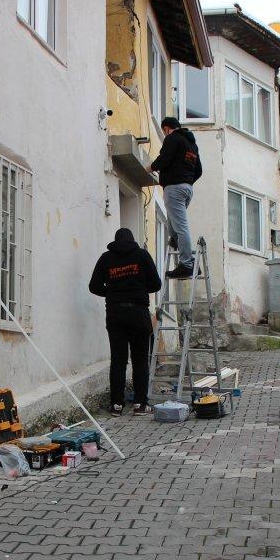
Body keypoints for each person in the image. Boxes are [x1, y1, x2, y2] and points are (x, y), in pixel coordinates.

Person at [88, 227, 163, 416]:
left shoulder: (106, 258)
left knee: (118, 360)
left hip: (115, 314)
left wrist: (112, 293)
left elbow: (94, 286)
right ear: (132, 240)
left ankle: (116, 405)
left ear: (115, 241)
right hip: (138, 313)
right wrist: (139, 288)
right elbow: (156, 284)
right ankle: (140, 405)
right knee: (140, 360)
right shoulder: (142, 255)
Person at [150, 116, 202, 279]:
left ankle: (187, 264)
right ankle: (177, 242)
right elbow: (199, 170)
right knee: (174, 225)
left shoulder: (172, 138)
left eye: (164, 131)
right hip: (187, 189)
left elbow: (164, 158)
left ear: (166, 129)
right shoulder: (192, 145)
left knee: (180, 227)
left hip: (174, 188)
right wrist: (186, 180)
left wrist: (150, 167)